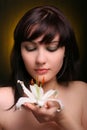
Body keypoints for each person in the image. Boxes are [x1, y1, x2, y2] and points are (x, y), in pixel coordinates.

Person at [0, 5, 87, 130]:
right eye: (30, 48)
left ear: (65, 51)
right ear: (20, 52)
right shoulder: (1, 100)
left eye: (51, 48)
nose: (40, 60)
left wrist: (62, 119)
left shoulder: (82, 93)